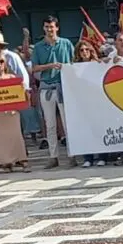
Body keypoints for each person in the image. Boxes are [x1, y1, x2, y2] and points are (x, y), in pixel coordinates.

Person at [32, 15, 74, 169]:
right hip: (47, 87)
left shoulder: (66, 43)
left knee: (67, 122)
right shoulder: (38, 47)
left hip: (63, 86)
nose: (49, 30)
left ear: (57, 27)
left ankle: (72, 154)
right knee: (50, 124)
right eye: (46, 27)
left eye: (52, 27)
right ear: (44, 28)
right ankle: (53, 156)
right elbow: (34, 68)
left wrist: (65, 66)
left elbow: (73, 62)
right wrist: (50, 65)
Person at [0, 52, 31, 173]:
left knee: (16, 135)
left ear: (5, 63)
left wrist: (24, 93)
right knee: (0, 138)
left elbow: (22, 94)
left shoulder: (12, 78)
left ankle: (22, 159)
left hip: (12, 112)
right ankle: (5, 162)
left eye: (1, 61)